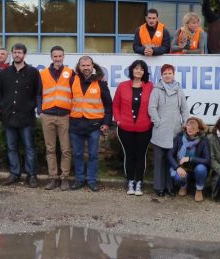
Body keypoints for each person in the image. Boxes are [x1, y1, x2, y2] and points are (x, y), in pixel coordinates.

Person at [0, 43, 41, 187]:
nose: (17, 55)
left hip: (26, 117)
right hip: (8, 116)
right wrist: (1, 105)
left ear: (24, 55)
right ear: (12, 54)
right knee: (11, 147)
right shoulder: (4, 73)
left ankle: (31, 175)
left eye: (20, 52)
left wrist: (31, 106)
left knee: (29, 147)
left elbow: (38, 93)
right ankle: (14, 174)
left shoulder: (33, 72)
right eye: (15, 52)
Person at [69, 56, 112, 192]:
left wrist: (106, 123)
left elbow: (108, 105)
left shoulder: (100, 82)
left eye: (88, 65)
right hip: (76, 125)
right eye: (83, 65)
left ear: (92, 66)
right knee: (77, 154)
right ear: (79, 67)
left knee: (93, 154)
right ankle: (80, 179)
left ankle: (92, 180)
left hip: (94, 125)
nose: (86, 68)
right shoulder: (72, 80)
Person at [113, 60, 154, 196]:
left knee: (140, 155)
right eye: (136, 68)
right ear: (131, 70)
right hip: (125, 127)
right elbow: (116, 105)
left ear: (144, 72)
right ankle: (130, 181)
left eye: (141, 69)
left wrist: (152, 121)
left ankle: (139, 183)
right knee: (129, 155)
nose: (138, 71)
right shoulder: (122, 86)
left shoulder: (150, 87)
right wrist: (118, 119)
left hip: (144, 127)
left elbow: (155, 105)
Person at [148, 64, 189, 196]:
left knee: (171, 160)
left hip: (175, 130)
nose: (167, 76)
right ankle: (159, 187)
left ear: (173, 74)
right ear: (161, 75)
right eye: (165, 73)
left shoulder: (178, 89)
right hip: (160, 130)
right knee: (160, 160)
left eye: (169, 73)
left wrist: (185, 123)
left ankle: (170, 187)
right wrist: (158, 122)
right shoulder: (157, 90)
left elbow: (184, 108)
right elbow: (152, 108)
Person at [38, 46, 74, 191]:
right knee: (50, 149)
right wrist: (40, 110)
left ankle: (64, 178)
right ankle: (53, 177)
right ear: (51, 57)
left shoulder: (71, 73)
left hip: (64, 115)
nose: (58, 58)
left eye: (60, 56)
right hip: (48, 115)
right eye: (55, 56)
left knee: (65, 149)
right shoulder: (43, 73)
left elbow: (75, 92)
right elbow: (38, 94)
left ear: (64, 57)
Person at [167, 117, 210, 202]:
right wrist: (177, 167)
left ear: (198, 130)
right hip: (182, 167)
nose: (190, 128)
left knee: (201, 168)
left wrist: (190, 158)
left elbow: (207, 160)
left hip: (196, 169)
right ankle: (183, 186)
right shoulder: (179, 138)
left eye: (193, 127)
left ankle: (199, 189)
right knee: (177, 176)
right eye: (188, 126)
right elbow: (169, 155)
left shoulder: (203, 140)